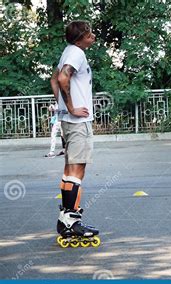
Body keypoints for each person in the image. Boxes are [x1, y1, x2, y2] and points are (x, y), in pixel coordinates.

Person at [50, 20, 100, 248]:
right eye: (89, 34)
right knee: (77, 170)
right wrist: (70, 108)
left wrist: (61, 106)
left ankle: (65, 220)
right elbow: (62, 79)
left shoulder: (67, 52)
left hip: (69, 121)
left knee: (70, 171)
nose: (93, 36)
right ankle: (71, 221)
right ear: (80, 38)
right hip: (77, 121)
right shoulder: (76, 53)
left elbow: (53, 79)